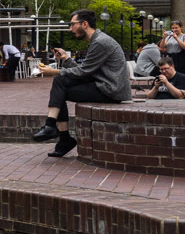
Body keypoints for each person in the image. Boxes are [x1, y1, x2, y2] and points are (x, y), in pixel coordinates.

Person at [32, 9, 131, 157]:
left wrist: (54, 71)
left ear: (84, 24)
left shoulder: (100, 42)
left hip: (111, 90)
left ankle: (56, 131)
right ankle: (58, 133)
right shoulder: (97, 40)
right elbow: (85, 70)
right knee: (60, 87)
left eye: (73, 24)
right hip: (103, 85)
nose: (70, 29)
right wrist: (66, 59)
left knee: (60, 84)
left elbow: (83, 72)